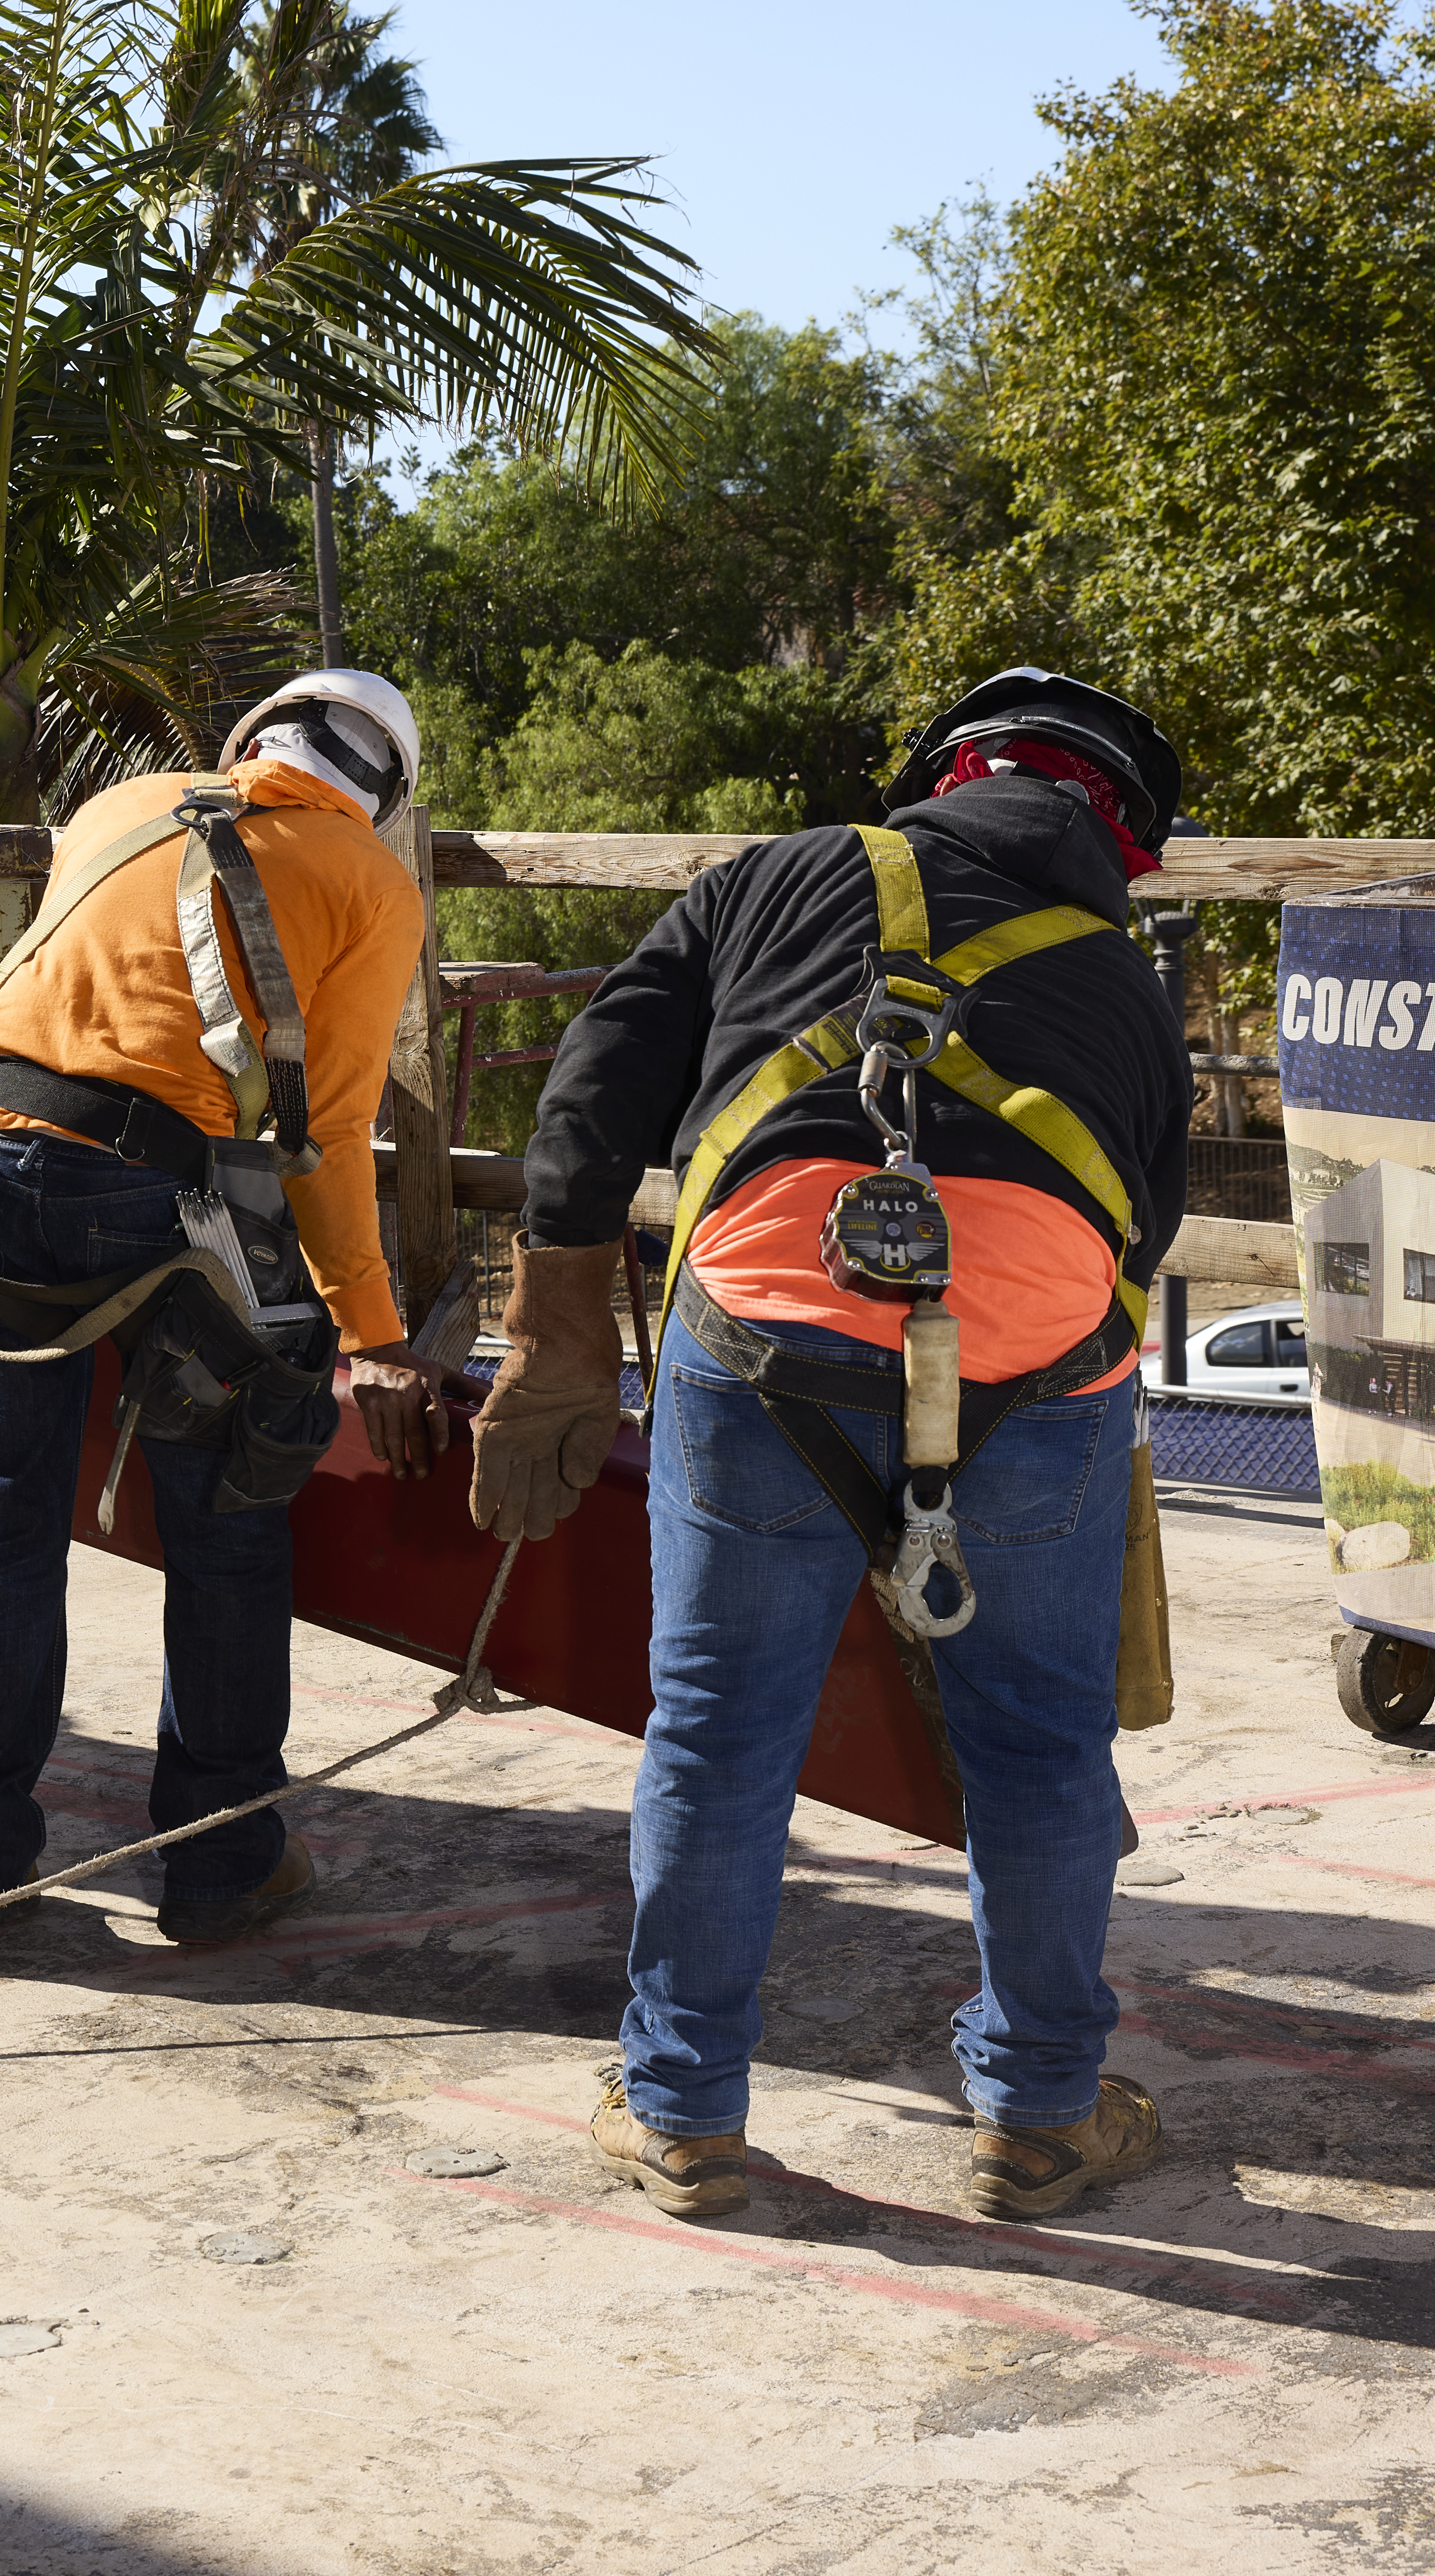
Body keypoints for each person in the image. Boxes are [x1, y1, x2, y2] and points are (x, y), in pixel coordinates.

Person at [476, 667, 1190, 2225]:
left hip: (766, 1335)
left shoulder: (785, 875)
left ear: (938, 778)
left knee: (723, 1727)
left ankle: (681, 2110)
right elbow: (1150, 1222)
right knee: (1044, 1742)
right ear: (1120, 836)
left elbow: (597, 1089)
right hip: (1038, 1367)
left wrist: (554, 1332)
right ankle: (1044, 2114)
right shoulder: (1127, 985)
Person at [0, 669, 446, 1965]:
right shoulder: (369, 882)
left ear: (254, 741)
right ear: (377, 796)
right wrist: (368, 1333)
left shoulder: (123, 805)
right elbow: (328, 1130)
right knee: (229, 1525)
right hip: (143, 1192)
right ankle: (221, 1861)